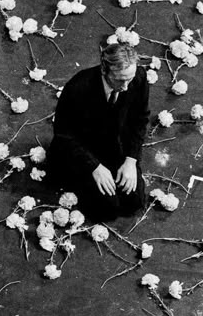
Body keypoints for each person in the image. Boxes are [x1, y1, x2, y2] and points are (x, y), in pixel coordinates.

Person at [47, 43, 150, 221]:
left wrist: (131, 161)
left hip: (114, 146)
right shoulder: (78, 87)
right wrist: (94, 167)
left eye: (129, 79)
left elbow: (140, 120)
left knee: (134, 202)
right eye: (120, 80)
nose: (126, 86)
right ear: (104, 70)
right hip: (83, 151)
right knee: (106, 210)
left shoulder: (139, 78)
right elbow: (64, 135)